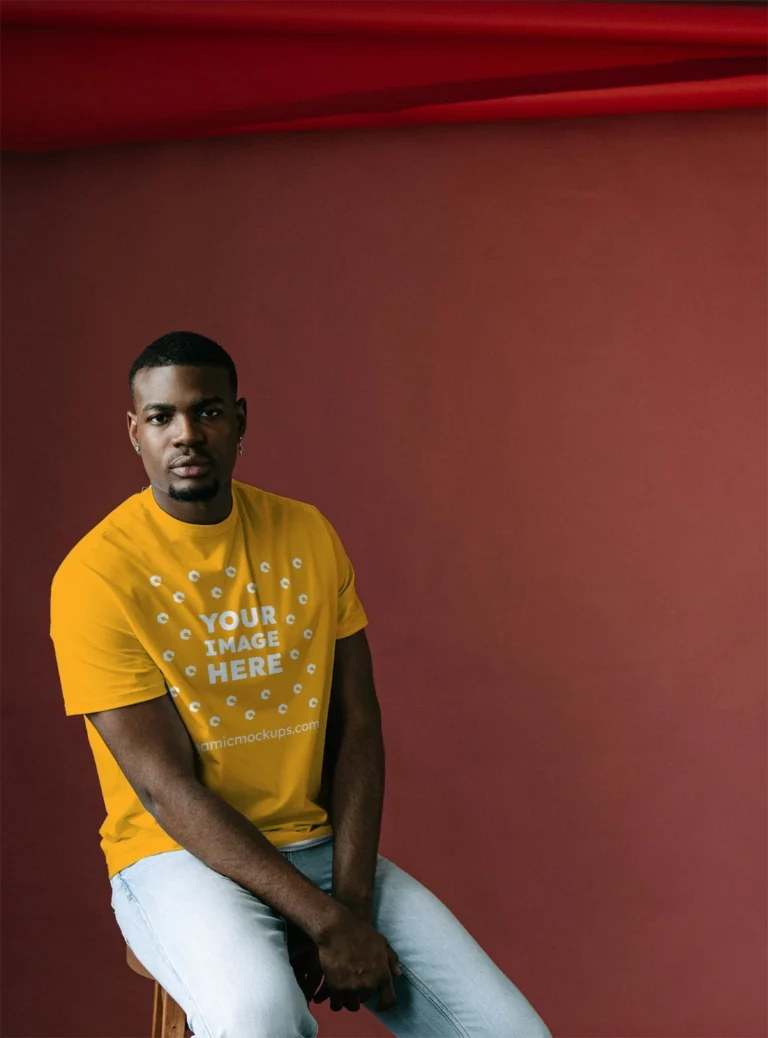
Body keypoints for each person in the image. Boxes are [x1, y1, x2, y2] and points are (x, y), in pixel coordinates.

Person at [49, 331, 552, 1038]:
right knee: (258, 1020)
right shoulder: (96, 577)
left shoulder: (307, 535)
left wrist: (349, 901)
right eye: (162, 417)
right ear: (135, 432)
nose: (186, 434)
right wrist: (322, 921)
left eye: (209, 411)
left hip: (319, 849)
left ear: (241, 420)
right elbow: (166, 788)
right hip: (176, 860)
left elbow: (357, 726)